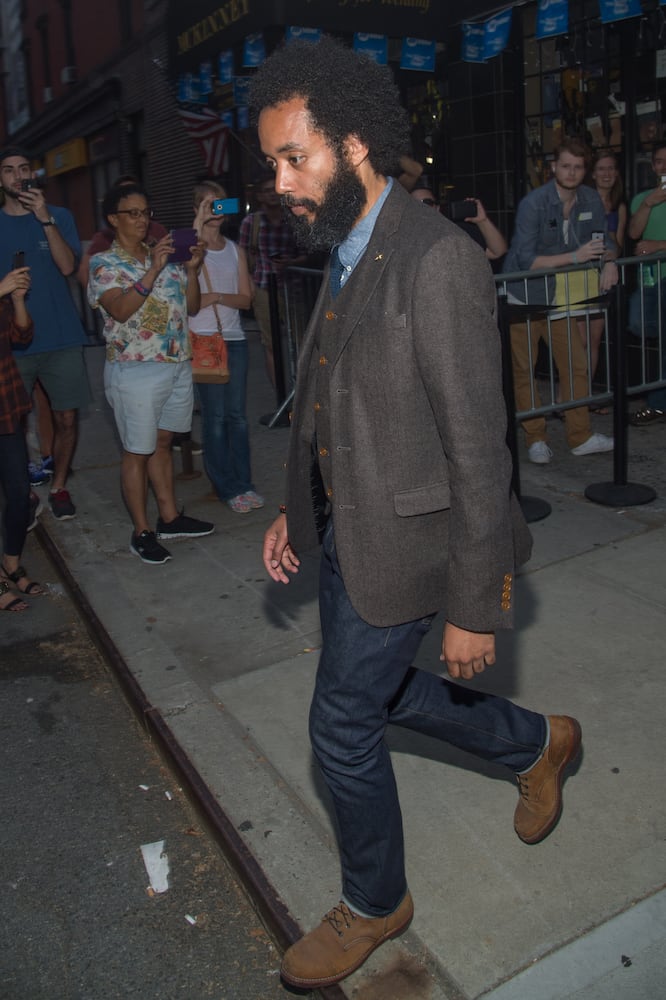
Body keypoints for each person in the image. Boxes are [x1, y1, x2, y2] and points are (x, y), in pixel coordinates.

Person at [254, 36, 582, 991]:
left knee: (340, 724)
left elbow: (481, 448)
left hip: (410, 545)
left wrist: (478, 604)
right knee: (383, 695)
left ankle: (375, 901)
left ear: (353, 144)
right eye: (272, 163)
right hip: (348, 534)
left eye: (293, 158)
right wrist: (298, 510)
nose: (279, 183)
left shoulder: (436, 259)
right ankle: (538, 742)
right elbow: (327, 399)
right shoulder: (348, 244)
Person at [87, 182, 214, 564]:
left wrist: (191, 270)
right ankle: (141, 531)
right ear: (113, 219)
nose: (142, 220)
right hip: (134, 369)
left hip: (176, 362)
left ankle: (169, 518)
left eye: (146, 212)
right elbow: (120, 309)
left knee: (162, 443)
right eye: (133, 213)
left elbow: (191, 307)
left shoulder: (165, 253)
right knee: (136, 451)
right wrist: (153, 270)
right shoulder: (104, 263)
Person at [502, 137, 617, 464]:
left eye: (578, 167)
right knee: (524, 369)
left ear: (585, 170)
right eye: (566, 165)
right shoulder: (534, 203)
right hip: (524, 295)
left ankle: (580, 436)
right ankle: (536, 437)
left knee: (576, 365)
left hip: (562, 296)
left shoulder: (591, 199)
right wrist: (576, 256)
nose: (571, 172)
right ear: (554, 167)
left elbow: (603, 241)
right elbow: (526, 260)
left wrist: (609, 261)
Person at [0, 145, 89, 518]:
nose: (18, 175)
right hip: (12, 343)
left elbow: (67, 267)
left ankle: (59, 485)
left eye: (24, 168)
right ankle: (23, 490)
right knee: (14, 426)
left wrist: (45, 219)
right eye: (9, 170)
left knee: (67, 417)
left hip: (62, 336)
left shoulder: (59, 216)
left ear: (33, 175)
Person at [191, 180, 264, 514]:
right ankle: (226, 486)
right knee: (215, 418)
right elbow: (188, 296)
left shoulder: (235, 250)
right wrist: (198, 226)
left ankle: (244, 483)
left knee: (237, 417)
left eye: (219, 203)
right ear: (196, 208)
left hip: (233, 339)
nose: (215, 210)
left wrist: (216, 297)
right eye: (208, 204)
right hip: (202, 340)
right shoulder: (190, 247)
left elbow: (246, 299)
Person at [0, 261, 45, 611]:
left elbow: (22, 336)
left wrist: (16, 299)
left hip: (7, 405)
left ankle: (11, 564)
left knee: (19, 494)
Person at [238, 173, 306, 387]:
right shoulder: (252, 222)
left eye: (274, 190)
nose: (271, 195)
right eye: (266, 191)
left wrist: (292, 262)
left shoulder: (295, 218)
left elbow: (310, 252)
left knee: (303, 342)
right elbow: (242, 256)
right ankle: (281, 395)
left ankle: (303, 391)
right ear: (259, 196)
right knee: (270, 344)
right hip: (263, 288)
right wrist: (249, 286)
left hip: (293, 288)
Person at [626, 141, 666, 426]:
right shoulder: (643, 198)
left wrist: (658, 246)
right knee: (638, 324)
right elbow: (633, 232)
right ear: (653, 166)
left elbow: (648, 243)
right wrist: (649, 203)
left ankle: (657, 404)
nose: (664, 167)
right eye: (660, 161)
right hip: (650, 278)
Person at [583, 149, 627, 399]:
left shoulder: (619, 206)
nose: (606, 173)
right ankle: (570, 397)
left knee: (594, 338)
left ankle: (584, 396)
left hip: (603, 275)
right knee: (579, 341)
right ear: (593, 173)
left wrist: (609, 248)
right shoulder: (581, 200)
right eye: (601, 168)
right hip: (580, 273)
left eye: (611, 168)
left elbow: (619, 245)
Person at [412, 185, 508, 261]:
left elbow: (497, 252)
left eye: (427, 203)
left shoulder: (457, 233)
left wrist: (483, 221)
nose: (422, 208)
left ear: (437, 208)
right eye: (414, 205)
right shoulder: (406, 241)